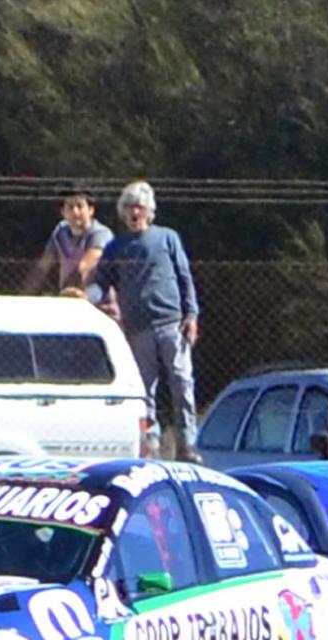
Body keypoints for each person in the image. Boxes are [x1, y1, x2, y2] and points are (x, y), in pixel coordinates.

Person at [91, 181, 202, 462]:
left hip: (172, 324)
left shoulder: (167, 238)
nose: (134, 213)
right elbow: (100, 282)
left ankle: (187, 444)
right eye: (129, 207)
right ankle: (150, 445)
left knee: (182, 382)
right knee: (144, 390)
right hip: (138, 328)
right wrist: (84, 298)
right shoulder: (116, 247)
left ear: (150, 211)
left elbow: (184, 277)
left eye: (139, 207)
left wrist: (191, 315)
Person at [20, 186, 114, 303]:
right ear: (63, 212)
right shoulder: (60, 231)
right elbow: (42, 267)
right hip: (69, 299)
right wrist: (22, 298)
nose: (75, 212)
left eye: (80, 206)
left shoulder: (101, 234)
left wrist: (64, 297)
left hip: (99, 304)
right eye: (70, 207)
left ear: (91, 210)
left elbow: (84, 267)